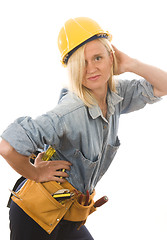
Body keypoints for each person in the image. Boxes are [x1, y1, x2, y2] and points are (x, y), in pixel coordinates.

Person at [0, 17, 167, 240]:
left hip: (70, 214)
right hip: (35, 214)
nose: (91, 69)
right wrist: (35, 172)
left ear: (111, 58)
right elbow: (8, 146)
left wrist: (130, 64)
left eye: (98, 57)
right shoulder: (72, 110)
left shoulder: (116, 96)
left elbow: (162, 85)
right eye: (81, 63)